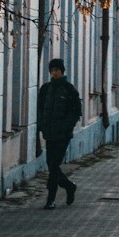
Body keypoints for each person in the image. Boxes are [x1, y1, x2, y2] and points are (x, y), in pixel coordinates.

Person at [37, 57, 82, 209]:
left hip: (62, 135)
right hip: (49, 133)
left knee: (54, 165)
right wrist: (41, 126)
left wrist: (66, 126)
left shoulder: (69, 89)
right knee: (52, 165)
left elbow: (76, 112)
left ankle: (51, 199)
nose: (54, 73)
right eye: (52, 70)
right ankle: (69, 186)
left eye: (57, 70)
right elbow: (40, 109)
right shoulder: (45, 89)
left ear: (62, 71)